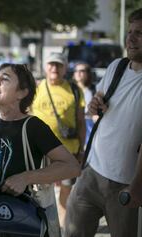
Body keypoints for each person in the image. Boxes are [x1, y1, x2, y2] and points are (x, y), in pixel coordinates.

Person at [0, 63, 81, 236]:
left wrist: (26, 178)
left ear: (22, 93)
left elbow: (72, 167)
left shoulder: (33, 127)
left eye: (5, 78)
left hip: (23, 225)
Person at [65, 7, 142, 237]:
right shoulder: (117, 66)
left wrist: (139, 186)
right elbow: (98, 99)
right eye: (130, 31)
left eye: (140, 33)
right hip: (91, 173)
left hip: (127, 185)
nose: (130, 38)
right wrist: (94, 104)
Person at [31, 52, 86, 227]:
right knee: (40, 189)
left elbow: (81, 121)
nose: (54, 68)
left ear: (65, 68)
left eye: (59, 65)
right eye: (51, 64)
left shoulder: (75, 90)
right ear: (46, 67)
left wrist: (82, 149)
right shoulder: (36, 89)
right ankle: (41, 224)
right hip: (40, 152)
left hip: (68, 151)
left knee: (66, 191)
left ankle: (61, 227)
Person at [72, 62, 96, 144]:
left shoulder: (94, 90)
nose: (78, 73)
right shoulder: (69, 89)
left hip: (89, 125)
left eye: (82, 71)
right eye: (76, 71)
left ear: (88, 73)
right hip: (73, 124)